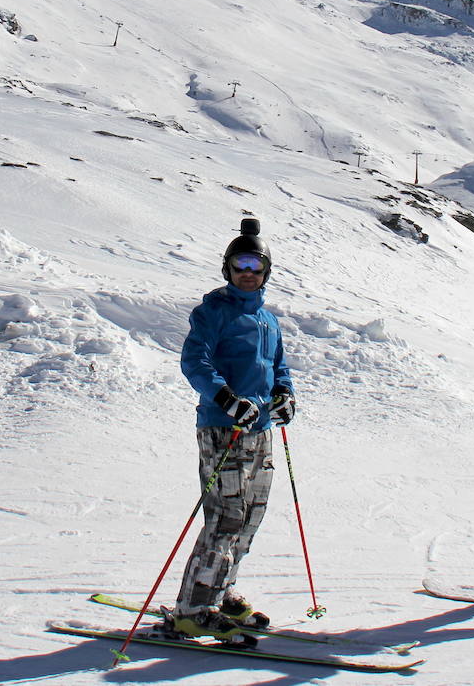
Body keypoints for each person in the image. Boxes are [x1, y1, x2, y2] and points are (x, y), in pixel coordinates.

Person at [170, 218, 296, 639]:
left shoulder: (268, 320)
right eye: (240, 264)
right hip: (224, 429)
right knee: (225, 518)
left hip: (260, 431)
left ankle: (220, 590)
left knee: (249, 518)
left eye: (255, 265)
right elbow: (195, 361)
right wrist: (226, 398)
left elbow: (278, 368)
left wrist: (285, 395)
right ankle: (193, 608)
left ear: (266, 272)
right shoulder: (213, 313)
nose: (247, 272)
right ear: (227, 268)